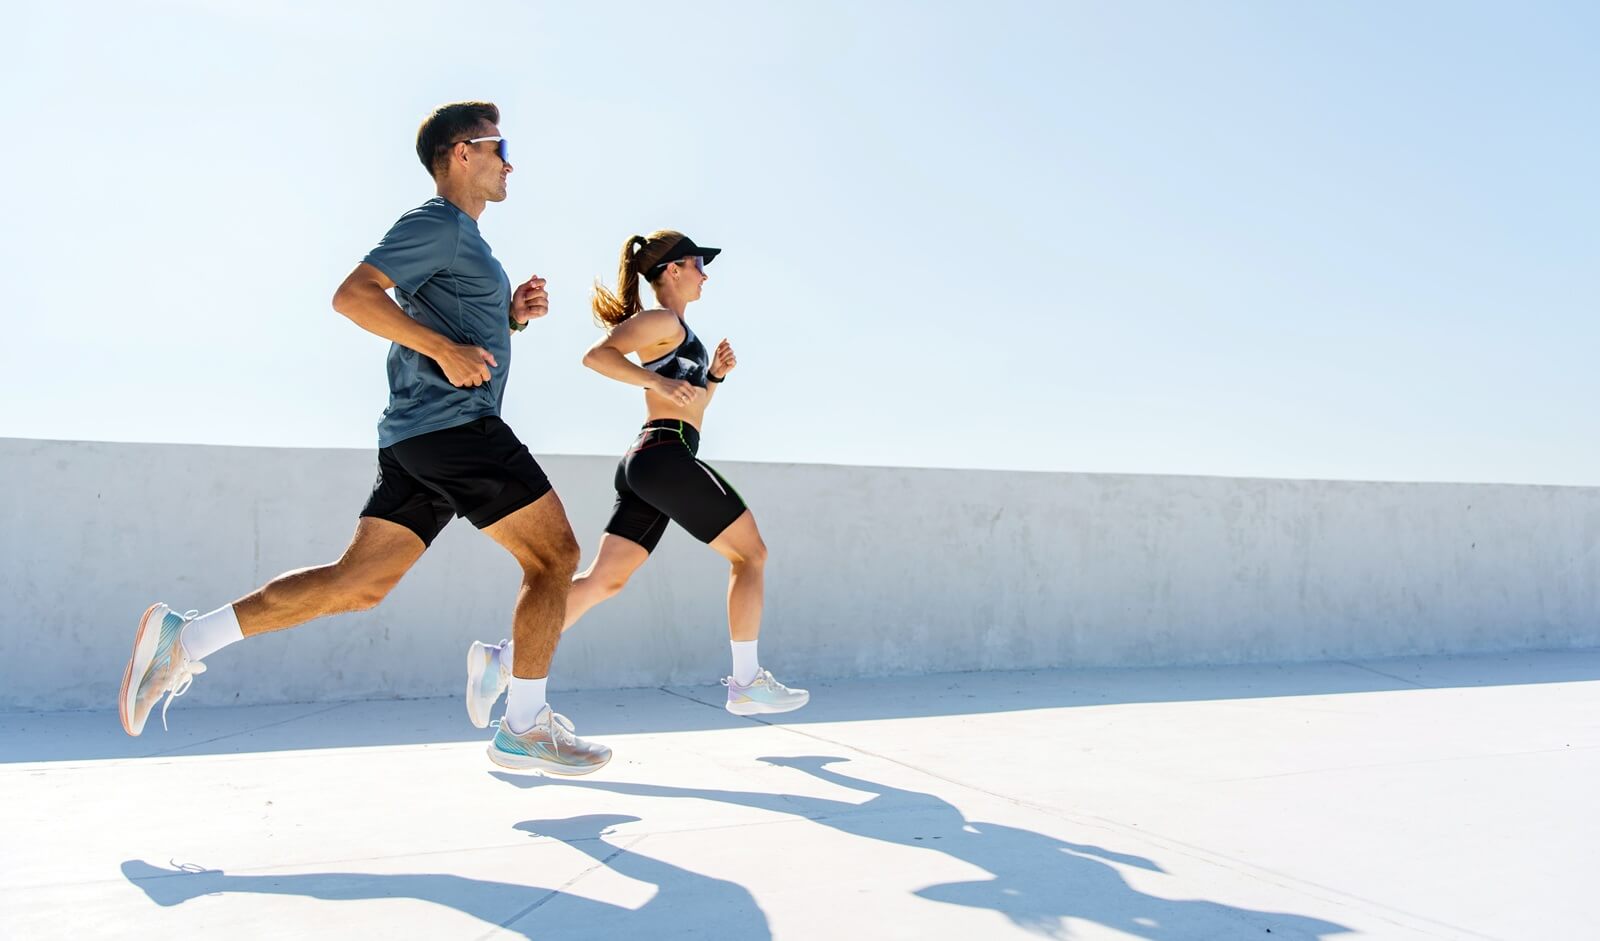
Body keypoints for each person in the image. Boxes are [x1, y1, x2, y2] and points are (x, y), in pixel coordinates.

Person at [118, 101, 610, 776]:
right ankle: (523, 723)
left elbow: (444, 314)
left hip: (419, 438)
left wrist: (510, 315)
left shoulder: (463, 239)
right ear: (461, 153)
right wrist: (444, 349)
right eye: (499, 147)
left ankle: (186, 638)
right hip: (455, 426)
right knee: (556, 556)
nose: (509, 162)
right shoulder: (436, 222)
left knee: (357, 582)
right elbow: (354, 295)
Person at [465, 231, 808, 726]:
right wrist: (659, 381)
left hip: (655, 457)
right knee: (751, 554)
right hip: (663, 454)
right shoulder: (660, 320)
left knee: (604, 581)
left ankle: (503, 662)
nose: (704, 274)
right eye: (697, 265)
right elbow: (597, 356)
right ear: (672, 270)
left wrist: (712, 377)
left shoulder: (679, 331)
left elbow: (695, 407)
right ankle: (747, 682)